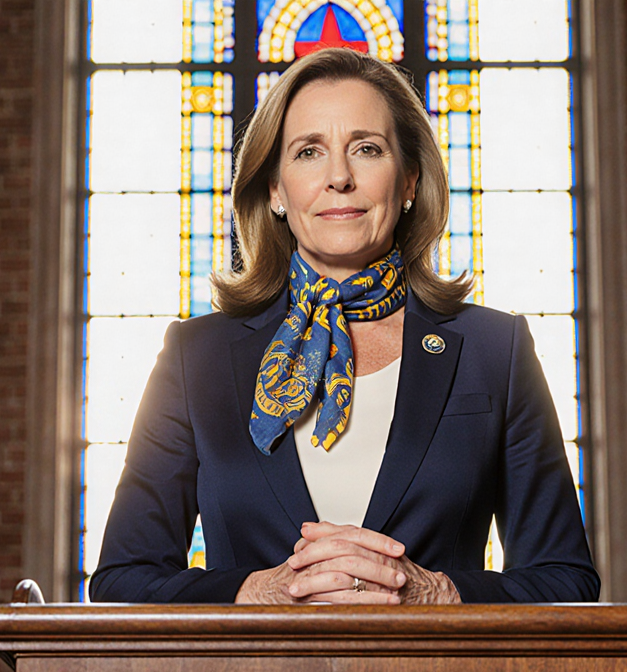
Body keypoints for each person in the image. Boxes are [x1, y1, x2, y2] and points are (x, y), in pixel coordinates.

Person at [90, 48, 599, 605]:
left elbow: (566, 580)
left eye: (367, 149)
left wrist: (436, 593)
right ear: (275, 189)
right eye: (309, 152)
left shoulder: (495, 351)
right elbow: (122, 580)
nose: (339, 178)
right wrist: (257, 593)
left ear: (409, 180)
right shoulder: (197, 357)